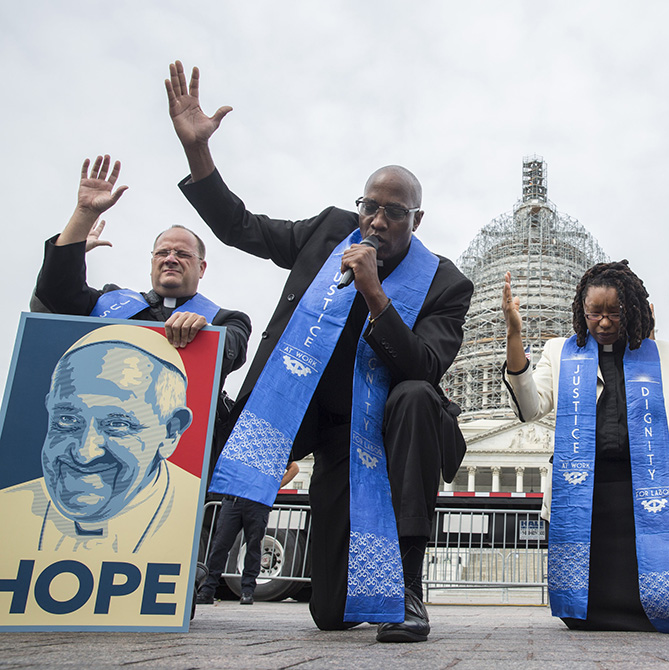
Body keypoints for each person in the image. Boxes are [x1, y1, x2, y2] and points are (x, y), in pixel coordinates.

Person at [164, 60, 473, 642]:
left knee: (413, 395)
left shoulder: (445, 284)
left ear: (418, 219)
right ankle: (157, 570)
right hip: (313, 419)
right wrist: (198, 154)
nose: (377, 222)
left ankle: (406, 586)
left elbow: (424, 366)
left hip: (386, 429)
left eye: (394, 213)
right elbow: (241, 228)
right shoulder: (330, 232)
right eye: (370, 207)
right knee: (331, 614)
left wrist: (376, 293)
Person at [502, 260, 669, 633]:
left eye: (614, 312)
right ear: (582, 311)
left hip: (643, 488)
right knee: (583, 613)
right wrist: (515, 337)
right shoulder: (560, 352)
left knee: (648, 604)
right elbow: (529, 408)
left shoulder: (660, 354)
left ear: (633, 310)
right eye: (595, 313)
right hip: (584, 493)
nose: (604, 322)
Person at [32, 156, 252, 482]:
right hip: (95, 459)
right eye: (162, 253)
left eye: (182, 254)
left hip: (186, 473)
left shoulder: (226, 319)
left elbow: (230, 349)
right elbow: (54, 298)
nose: (171, 259)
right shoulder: (109, 303)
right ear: (151, 262)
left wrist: (203, 330)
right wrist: (84, 215)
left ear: (201, 267)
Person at [0, 325, 200, 554]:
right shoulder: (7, 507)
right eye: (67, 419)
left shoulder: (193, 511)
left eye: (117, 425)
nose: (84, 453)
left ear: (170, 432)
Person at [196, 460, 299, 605]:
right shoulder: (239, 444)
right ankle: (207, 590)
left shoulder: (271, 448)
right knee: (220, 546)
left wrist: (274, 487)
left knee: (253, 547)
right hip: (233, 501)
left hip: (257, 502)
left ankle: (247, 591)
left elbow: (294, 468)